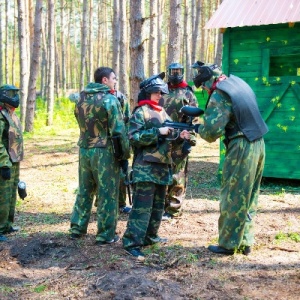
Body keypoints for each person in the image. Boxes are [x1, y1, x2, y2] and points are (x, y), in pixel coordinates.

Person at [191, 61, 268, 255]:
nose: (205, 89)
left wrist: (197, 127)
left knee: (233, 195)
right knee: (248, 195)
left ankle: (228, 243)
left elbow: (210, 133)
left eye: (204, 85)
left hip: (242, 145)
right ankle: (245, 240)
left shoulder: (220, 93)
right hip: (258, 142)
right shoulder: (237, 82)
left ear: (208, 80)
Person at [122, 73, 193, 260]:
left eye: (161, 93)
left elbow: (169, 136)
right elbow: (133, 138)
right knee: (142, 209)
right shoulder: (140, 112)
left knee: (157, 207)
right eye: (157, 92)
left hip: (162, 168)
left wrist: (180, 136)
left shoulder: (162, 112)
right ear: (148, 92)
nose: (160, 95)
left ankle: (150, 237)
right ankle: (131, 242)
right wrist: (157, 132)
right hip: (145, 169)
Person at [70, 67, 130, 245]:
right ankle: (105, 234)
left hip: (84, 149)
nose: (115, 81)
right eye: (113, 78)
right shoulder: (110, 100)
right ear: (104, 80)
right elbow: (119, 131)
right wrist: (125, 156)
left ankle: (77, 229)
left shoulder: (80, 98)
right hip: (104, 151)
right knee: (107, 192)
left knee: (84, 190)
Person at [159, 62, 198, 220]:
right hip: (162, 138)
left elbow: (194, 119)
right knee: (161, 172)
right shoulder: (161, 90)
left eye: (178, 71)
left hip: (180, 140)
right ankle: (160, 207)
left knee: (177, 175)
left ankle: (173, 209)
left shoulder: (188, 93)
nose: (175, 74)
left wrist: (191, 138)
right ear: (168, 72)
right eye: (173, 71)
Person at [0, 84, 24, 242]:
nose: (14, 97)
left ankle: (7, 224)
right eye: (11, 94)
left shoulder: (11, 113)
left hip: (13, 160)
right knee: (2, 196)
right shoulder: (1, 115)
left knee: (11, 195)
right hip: (5, 162)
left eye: (16, 93)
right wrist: (3, 163)